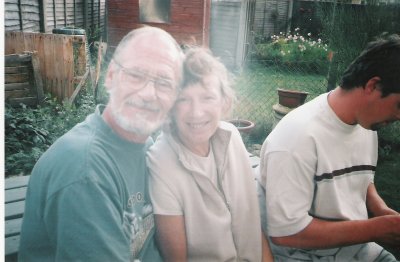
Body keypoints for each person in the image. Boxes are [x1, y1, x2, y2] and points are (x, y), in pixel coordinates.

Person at [18, 26, 184, 261]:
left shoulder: (146, 146)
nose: (148, 93)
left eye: (164, 83)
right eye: (136, 75)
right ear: (111, 76)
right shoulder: (84, 170)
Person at [258, 34, 400, 261]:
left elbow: (361, 179)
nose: (399, 116)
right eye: (398, 105)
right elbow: (286, 234)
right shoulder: (297, 138)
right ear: (372, 85)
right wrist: (376, 229)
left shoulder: (366, 122)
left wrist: (380, 209)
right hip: (303, 254)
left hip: (355, 247)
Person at [147, 47, 273, 261]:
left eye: (207, 98)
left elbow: (253, 227)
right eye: (183, 99)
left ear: (225, 102)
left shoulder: (231, 137)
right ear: (170, 106)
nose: (196, 112)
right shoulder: (161, 162)